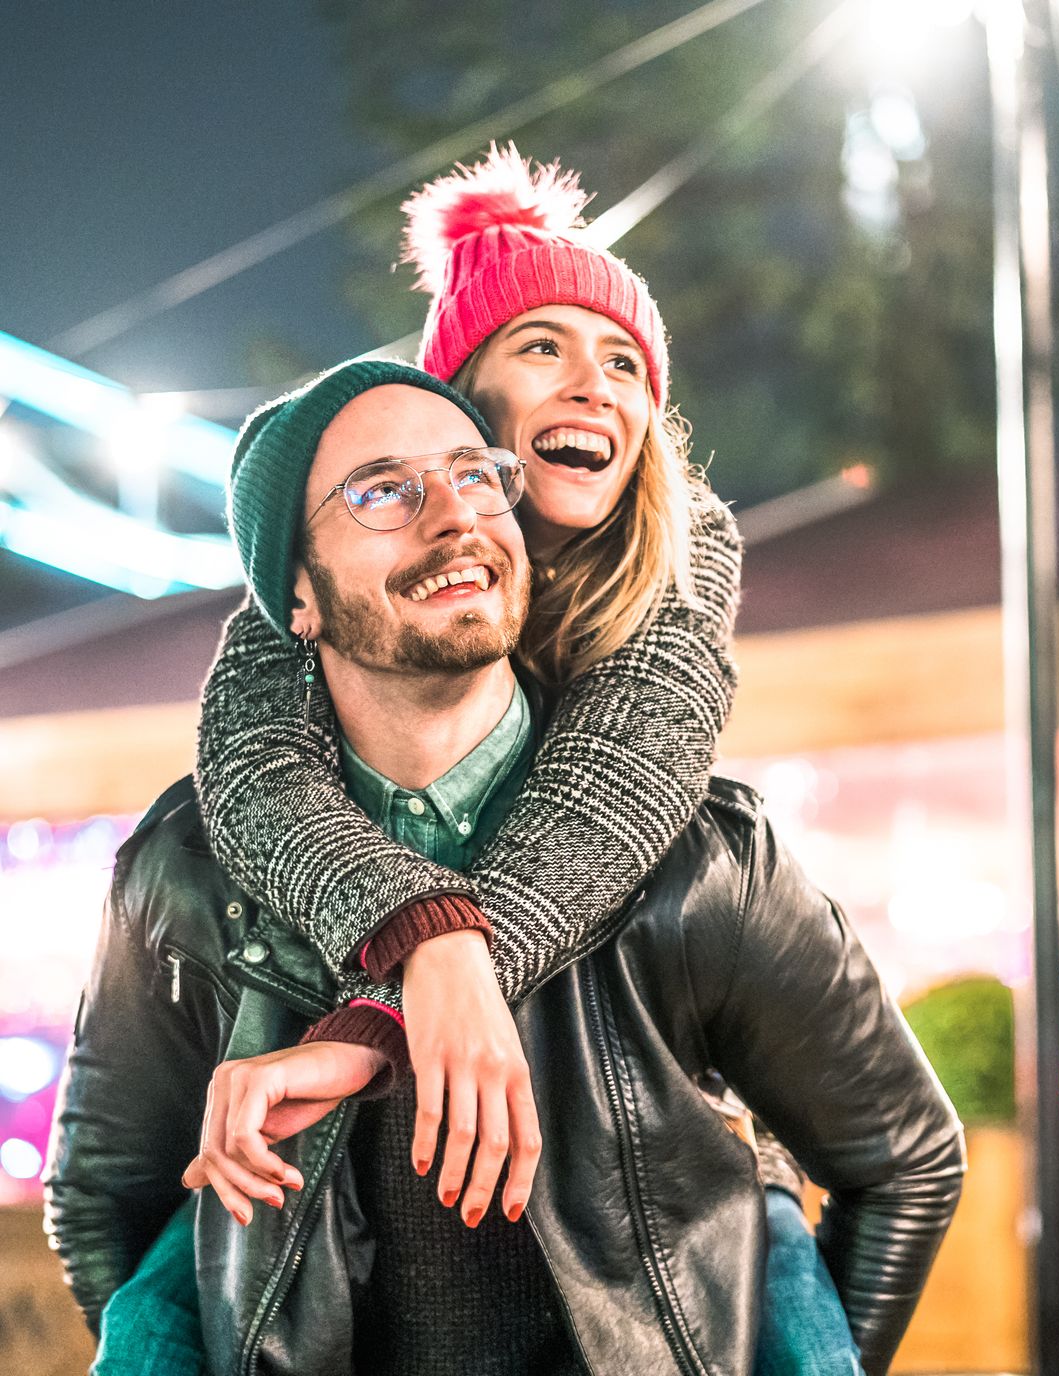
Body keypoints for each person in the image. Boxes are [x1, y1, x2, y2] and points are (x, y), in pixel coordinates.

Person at [46, 362, 965, 1376]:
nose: (454, 516)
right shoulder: (186, 871)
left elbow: (905, 1162)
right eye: (383, 490)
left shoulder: (700, 863)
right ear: (296, 593)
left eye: (476, 475)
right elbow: (103, 1201)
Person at [187, 146, 857, 1369]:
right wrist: (415, 933)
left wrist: (414, 979)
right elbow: (250, 766)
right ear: (456, 394)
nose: (593, 383)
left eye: (624, 362)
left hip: (663, 1179)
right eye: (542, 347)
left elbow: (617, 781)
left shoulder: (680, 552)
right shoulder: (335, 558)